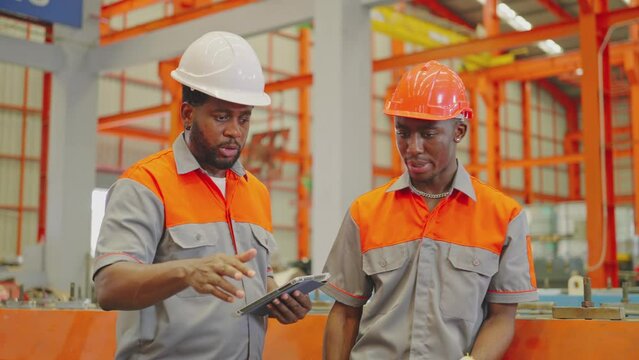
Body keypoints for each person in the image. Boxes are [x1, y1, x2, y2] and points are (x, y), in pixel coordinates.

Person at [93, 31, 311, 359]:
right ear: (187, 114)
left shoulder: (256, 192)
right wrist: (187, 271)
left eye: (244, 118)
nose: (235, 131)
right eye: (222, 116)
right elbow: (108, 288)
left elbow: (254, 283)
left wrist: (280, 299)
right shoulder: (146, 184)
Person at [322, 60, 538, 360]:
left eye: (428, 134)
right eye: (403, 132)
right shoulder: (365, 213)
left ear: (458, 130)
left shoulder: (504, 216)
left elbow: (501, 318)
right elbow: (345, 313)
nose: (412, 147)